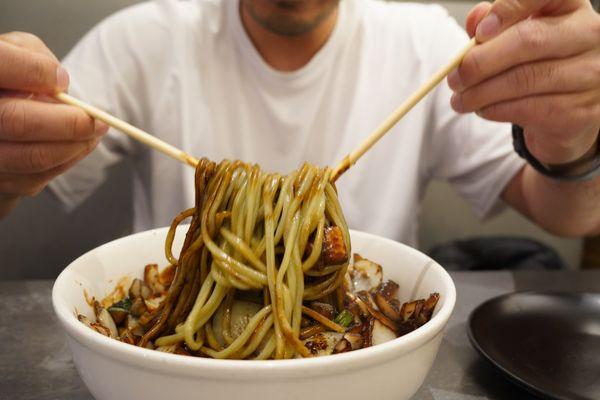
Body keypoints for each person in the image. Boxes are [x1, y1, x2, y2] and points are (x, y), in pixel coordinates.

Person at [0, 0, 598, 246]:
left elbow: (569, 213)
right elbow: (21, 170)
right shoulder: (145, 40)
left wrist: (573, 138)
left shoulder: (425, 47)